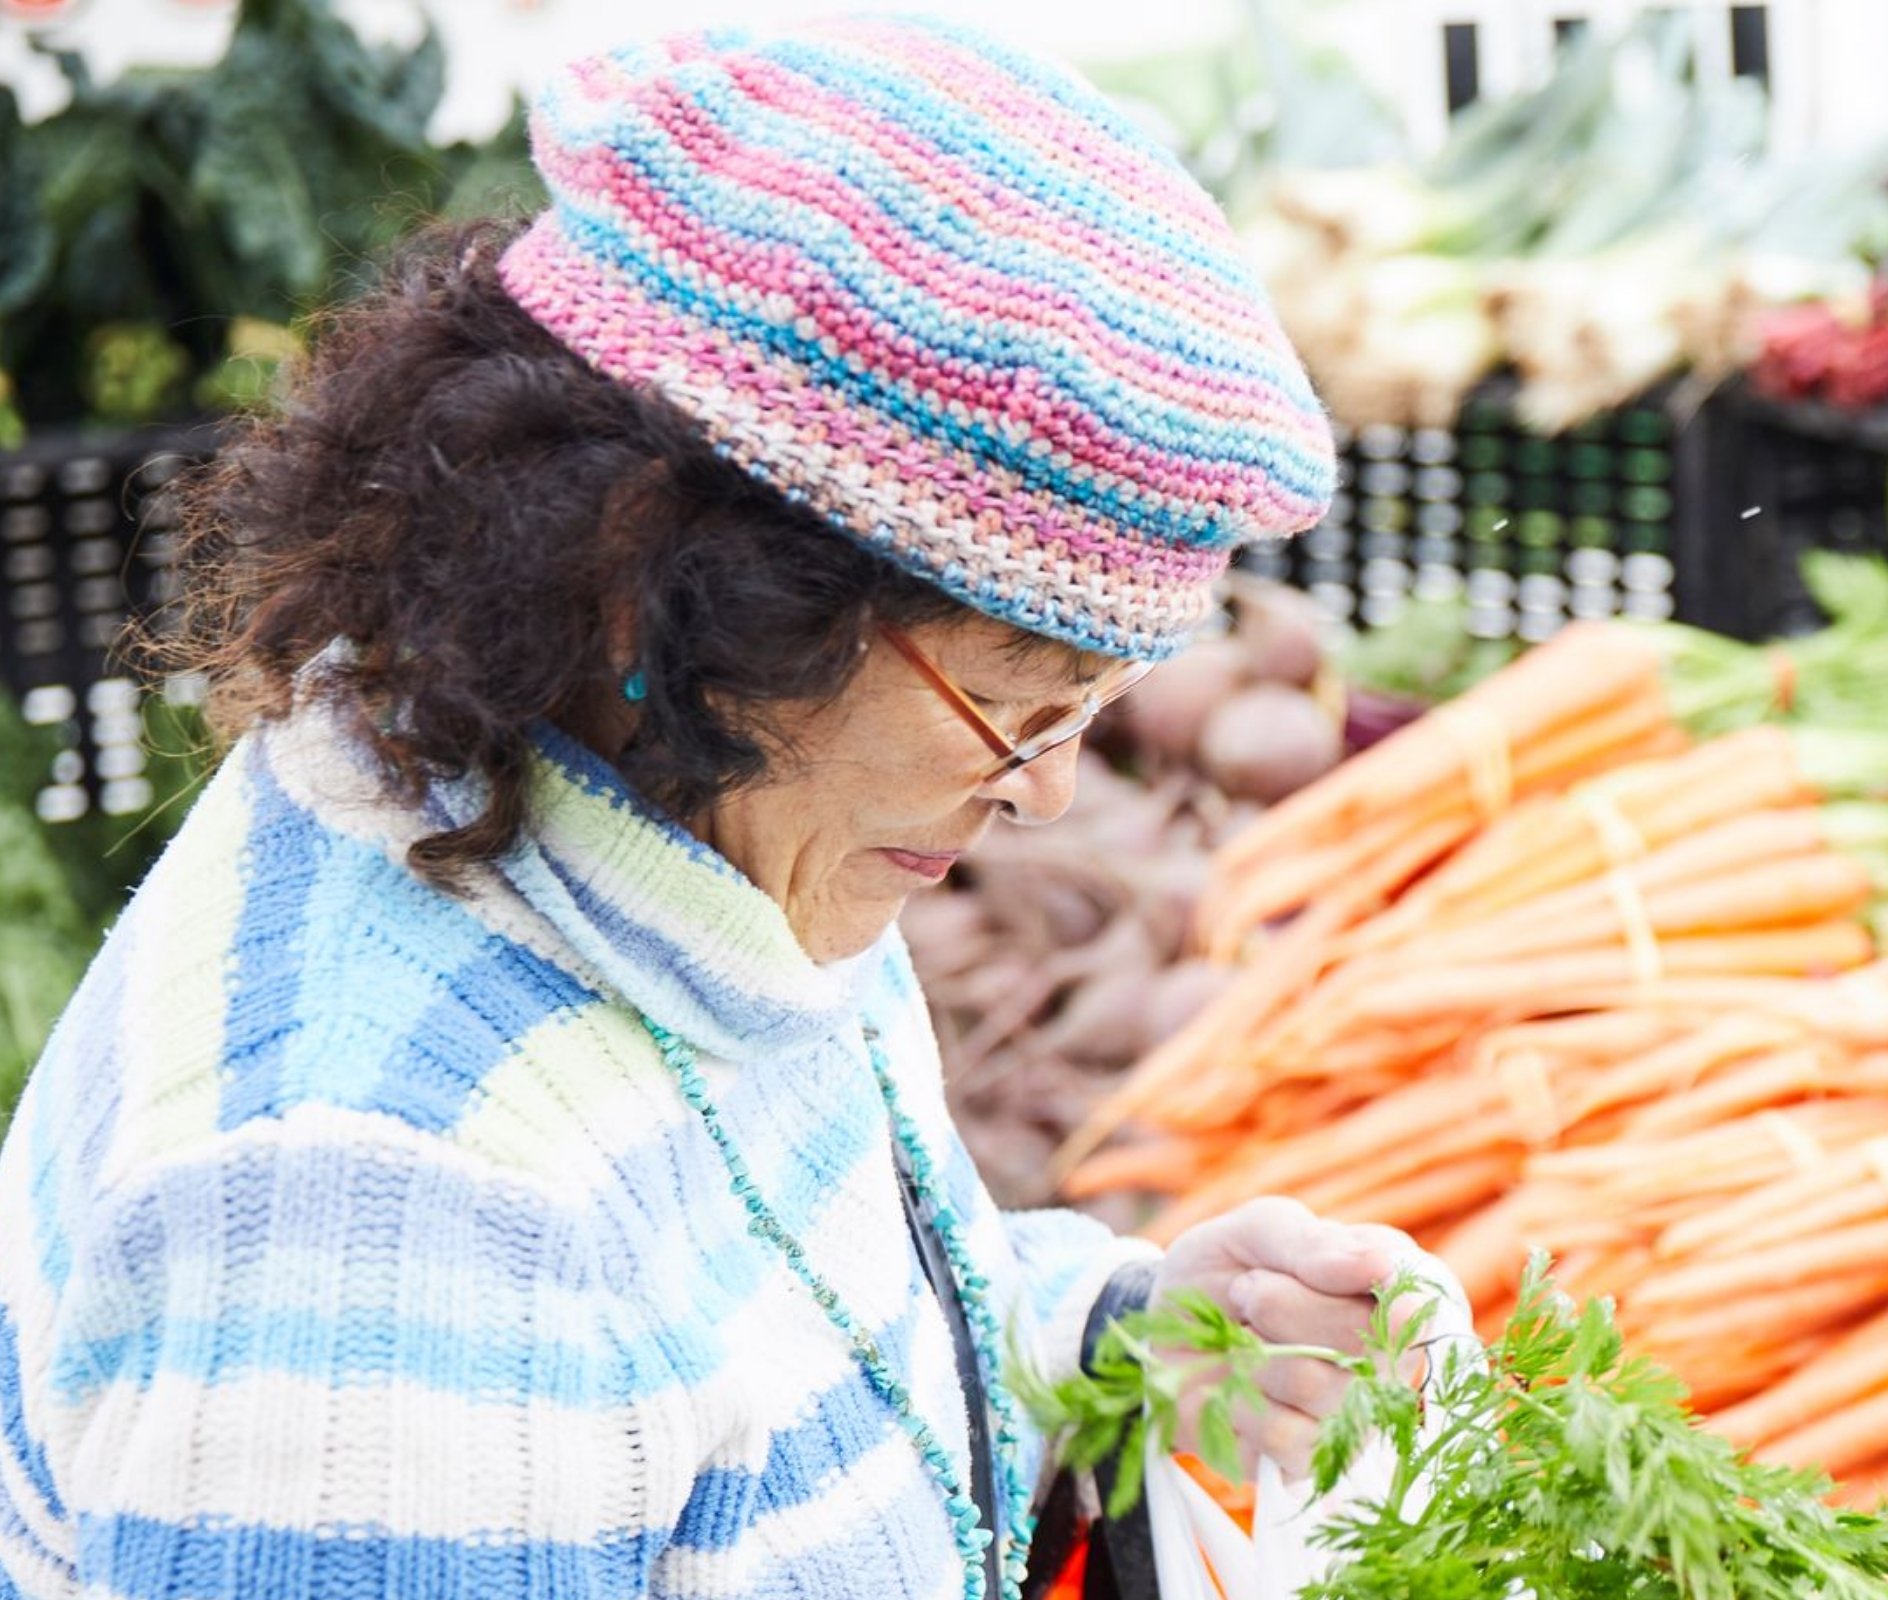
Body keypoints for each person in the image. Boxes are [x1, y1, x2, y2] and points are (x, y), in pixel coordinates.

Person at [0, 16, 1398, 1597]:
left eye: (1084, 707)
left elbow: (787, 1312)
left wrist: (1107, 1335)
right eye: (1010, 705)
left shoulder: (698, 820)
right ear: (656, 584)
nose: (1052, 788)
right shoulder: (386, 1230)